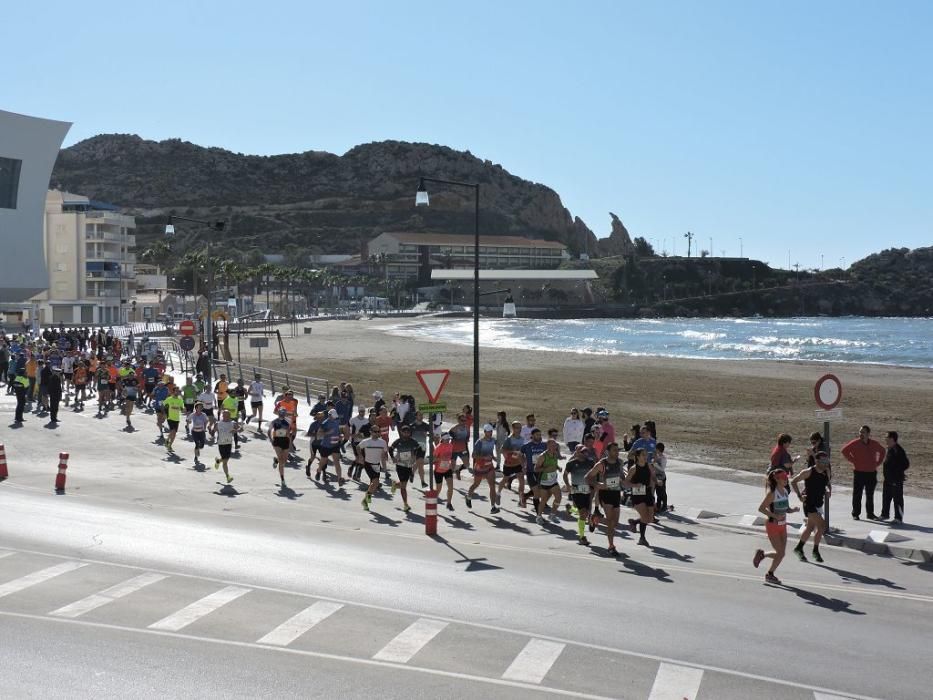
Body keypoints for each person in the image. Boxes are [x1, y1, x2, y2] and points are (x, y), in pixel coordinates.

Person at [753, 468, 799, 584]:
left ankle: (763, 555)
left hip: (783, 526)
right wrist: (774, 515)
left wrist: (792, 510)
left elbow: (786, 508)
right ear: (777, 479)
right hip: (772, 525)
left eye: (787, 478)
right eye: (784, 478)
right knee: (780, 553)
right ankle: (770, 574)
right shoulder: (772, 493)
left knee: (781, 553)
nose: (786, 480)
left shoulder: (784, 491)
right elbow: (761, 508)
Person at [586, 443, 625, 556]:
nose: (617, 452)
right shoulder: (602, 464)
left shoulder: (620, 462)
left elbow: (621, 476)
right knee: (611, 522)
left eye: (618, 450)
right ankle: (611, 546)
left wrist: (629, 482)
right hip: (605, 494)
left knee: (615, 523)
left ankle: (594, 519)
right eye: (614, 450)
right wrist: (598, 484)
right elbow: (587, 477)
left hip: (616, 494)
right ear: (608, 451)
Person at [791, 452, 831, 562]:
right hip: (809, 503)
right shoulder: (808, 472)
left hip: (819, 503)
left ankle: (798, 548)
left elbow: (827, 484)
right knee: (822, 525)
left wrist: (828, 491)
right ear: (816, 461)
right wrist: (799, 496)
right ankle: (815, 551)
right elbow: (793, 481)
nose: (825, 464)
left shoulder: (826, 471)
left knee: (809, 528)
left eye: (826, 461)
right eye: (823, 461)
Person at [840, 425, 885, 520]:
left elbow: (883, 451)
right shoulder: (855, 443)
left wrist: (877, 462)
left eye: (863, 432)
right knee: (857, 494)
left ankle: (870, 514)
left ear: (868, 434)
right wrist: (853, 460)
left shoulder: (874, 443)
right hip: (859, 473)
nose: (861, 434)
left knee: (870, 494)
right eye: (860, 432)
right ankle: (855, 514)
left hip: (871, 473)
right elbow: (844, 451)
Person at [563, 445, 595, 545]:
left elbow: (595, 474)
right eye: (582, 452)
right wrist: (568, 485)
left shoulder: (590, 462)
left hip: (587, 490)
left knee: (585, 512)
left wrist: (594, 485)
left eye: (586, 451)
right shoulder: (571, 463)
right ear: (577, 452)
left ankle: (571, 509)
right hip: (576, 490)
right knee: (583, 514)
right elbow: (565, 475)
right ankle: (582, 537)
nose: (585, 453)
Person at [389, 424, 424, 513]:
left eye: (408, 432)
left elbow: (420, 449)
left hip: (408, 466)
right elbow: (390, 449)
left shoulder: (413, 441)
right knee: (404, 486)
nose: (406, 433)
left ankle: (395, 485)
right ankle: (405, 504)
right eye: (405, 432)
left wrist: (414, 457)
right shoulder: (398, 441)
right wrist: (393, 458)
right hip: (400, 465)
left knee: (403, 484)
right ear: (401, 432)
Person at [625, 448, 656, 546]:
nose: (645, 456)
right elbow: (625, 483)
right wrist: (634, 485)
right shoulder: (633, 468)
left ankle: (634, 522)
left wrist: (656, 481)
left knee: (650, 519)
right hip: (637, 495)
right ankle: (642, 538)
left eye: (646, 454)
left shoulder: (649, 466)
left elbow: (653, 477)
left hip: (647, 493)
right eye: (643, 455)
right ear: (638, 457)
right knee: (645, 517)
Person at [466, 424, 499, 514]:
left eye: (491, 431)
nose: (490, 433)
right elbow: (473, 455)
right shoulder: (479, 442)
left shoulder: (493, 440)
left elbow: (490, 451)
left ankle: (493, 507)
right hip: (480, 467)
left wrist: (494, 457)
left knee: (492, 486)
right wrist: (484, 457)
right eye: (488, 431)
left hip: (489, 467)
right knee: (476, 484)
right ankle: (468, 496)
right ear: (484, 432)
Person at [881, 431, 909, 523]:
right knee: (886, 498)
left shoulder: (898, 450)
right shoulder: (890, 448)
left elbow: (906, 464)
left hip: (895, 480)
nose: (885, 439)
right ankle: (884, 515)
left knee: (897, 499)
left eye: (887, 438)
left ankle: (898, 518)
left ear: (892, 439)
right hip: (888, 479)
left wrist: (896, 473)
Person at [358, 425, 388, 511]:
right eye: (375, 432)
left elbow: (385, 453)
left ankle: (366, 500)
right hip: (368, 464)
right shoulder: (366, 441)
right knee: (375, 481)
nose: (377, 433)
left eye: (379, 431)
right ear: (371, 432)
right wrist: (360, 456)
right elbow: (358, 447)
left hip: (377, 465)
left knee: (374, 484)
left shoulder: (382, 442)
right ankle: (365, 500)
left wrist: (386, 459)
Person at [534, 439, 563, 525]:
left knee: (559, 497)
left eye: (555, 446)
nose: (555, 447)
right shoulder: (542, 456)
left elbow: (554, 464)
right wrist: (545, 469)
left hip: (553, 481)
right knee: (544, 500)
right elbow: (536, 469)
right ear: (548, 446)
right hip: (544, 482)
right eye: (553, 446)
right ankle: (539, 517)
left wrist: (558, 467)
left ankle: (552, 515)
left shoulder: (555, 454)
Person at [497, 421, 525, 506]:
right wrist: (512, 451)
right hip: (509, 464)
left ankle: (521, 499)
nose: (519, 429)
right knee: (505, 479)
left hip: (518, 463)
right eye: (517, 428)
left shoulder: (522, 439)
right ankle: (498, 494)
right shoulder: (509, 439)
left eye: (520, 428)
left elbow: (522, 451)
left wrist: (524, 460)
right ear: (513, 428)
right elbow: (501, 450)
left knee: (522, 480)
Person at [214, 409, 240, 484]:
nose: (225, 417)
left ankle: (218, 461)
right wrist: (212, 431)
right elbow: (213, 431)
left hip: (229, 444)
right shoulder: (218, 423)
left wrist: (236, 430)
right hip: (221, 444)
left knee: (225, 460)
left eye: (227, 416)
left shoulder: (233, 423)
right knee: (225, 461)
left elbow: (241, 428)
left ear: (230, 416)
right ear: (222, 416)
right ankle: (228, 477)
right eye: (224, 415)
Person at [267, 407, 291, 488]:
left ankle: (276, 460)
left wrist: (290, 443)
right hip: (277, 441)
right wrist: (271, 440)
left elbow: (289, 433)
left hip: (285, 441)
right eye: (281, 413)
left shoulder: (288, 422)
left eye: (284, 413)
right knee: (281, 461)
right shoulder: (274, 422)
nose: (283, 414)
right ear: (279, 413)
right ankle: (282, 479)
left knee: (284, 460)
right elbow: (269, 431)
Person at [433, 433, 455, 510]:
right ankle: (432, 501)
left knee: (451, 487)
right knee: (438, 489)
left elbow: (450, 457)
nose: (449, 440)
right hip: (438, 470)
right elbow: (433, 459)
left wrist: (452, 464)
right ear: (443, 439)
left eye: (449, 439)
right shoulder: (438, 447)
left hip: (447, 469)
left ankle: (449, 503)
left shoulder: (450, 446)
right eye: (447, 439)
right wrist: (441, 458)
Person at [448, 413, 471, 479]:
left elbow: (467, 438)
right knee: (452, 466)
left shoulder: (467, 428)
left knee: (467, 465)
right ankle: (450, 480)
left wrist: (466, 442)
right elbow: (448, 436)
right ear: (458, 420)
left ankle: (458, 470)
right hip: (454, 449)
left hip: (462, 449)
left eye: (465, 420)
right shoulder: (455, 428)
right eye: (462, 420)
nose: (463, 422)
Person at [163, 385, 185, 452]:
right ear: (173, 392)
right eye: (176, 391)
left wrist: (184, 410)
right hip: (170, 417)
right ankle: (168, 442)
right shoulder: (169, 399)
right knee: (173, 431)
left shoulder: (180, 399)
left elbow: (182, 408)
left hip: (177, 418)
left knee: (174, 433)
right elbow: (163, 404)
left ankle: (169, 444)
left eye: (178, 391)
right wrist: (164, 413)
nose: (177, 392)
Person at [654, 442, 669, 513]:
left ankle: (665, 506)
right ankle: (658, 506)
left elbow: (662, 469)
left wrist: (655, 464)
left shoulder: (663, 458)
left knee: (662, 492)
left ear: (659, 449)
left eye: (656, 448)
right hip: (656, 476)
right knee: (658, 492)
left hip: (662, 477)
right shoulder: (656, 456)